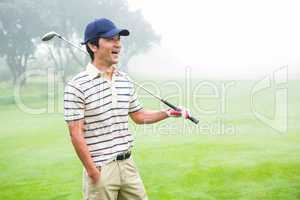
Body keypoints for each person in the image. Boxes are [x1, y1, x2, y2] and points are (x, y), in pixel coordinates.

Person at [63, 18, 191, 200]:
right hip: (101, 168)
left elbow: (138, 116)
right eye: (110, 39)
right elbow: (76, 134)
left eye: (118, 39)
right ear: (93, 45)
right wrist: (93, 172)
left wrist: (167, 113)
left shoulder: (124, 80)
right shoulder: (77, 86)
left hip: (128, 165)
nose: (118, 45)